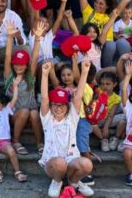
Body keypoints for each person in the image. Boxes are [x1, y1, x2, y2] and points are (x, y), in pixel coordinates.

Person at [39, 60, 94, 198]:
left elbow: (78, 96)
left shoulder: (72, 118)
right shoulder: (47, 118)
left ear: (67, 106)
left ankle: (74, 182)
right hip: (53, 163)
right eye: (55, 105)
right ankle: (57, 181)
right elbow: (45, 98)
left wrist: (85, 72)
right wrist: (45, 74)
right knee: (59, 163)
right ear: (51, 106)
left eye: (62, 105)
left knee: (87, 164)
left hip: (71, 160)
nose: (59, 108)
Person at [4, 21, 43, 156]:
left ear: (26, 66)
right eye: (16, 64)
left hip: (30, 115)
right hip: (14, 115)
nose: (18, 67)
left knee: (33, 113)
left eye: (22, 64)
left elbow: (35, 58)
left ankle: (40, 143)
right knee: (26, 111)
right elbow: (8, 57)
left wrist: (37, 39)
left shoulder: (29, 78)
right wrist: (9, 38)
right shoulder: (9, 78)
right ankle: (15, 141)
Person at [0, 82, 28, 183]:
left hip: (4, 141)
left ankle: (17, 171)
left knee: (12, 152)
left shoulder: (6, 110)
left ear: (3, 105)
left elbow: (15, 99)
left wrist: (16, 86)